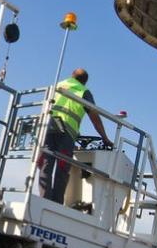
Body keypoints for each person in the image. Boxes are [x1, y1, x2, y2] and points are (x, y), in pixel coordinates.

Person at [38, 68, 113, 204]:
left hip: (49, 127)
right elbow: (95, 117)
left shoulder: (58, 84)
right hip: (66, 132)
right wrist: (105, 137)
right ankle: (55, 203)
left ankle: (44, 200)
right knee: (62, 168)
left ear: (72, 75)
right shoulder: (84, 91)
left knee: (45, 165)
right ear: (85, 82)